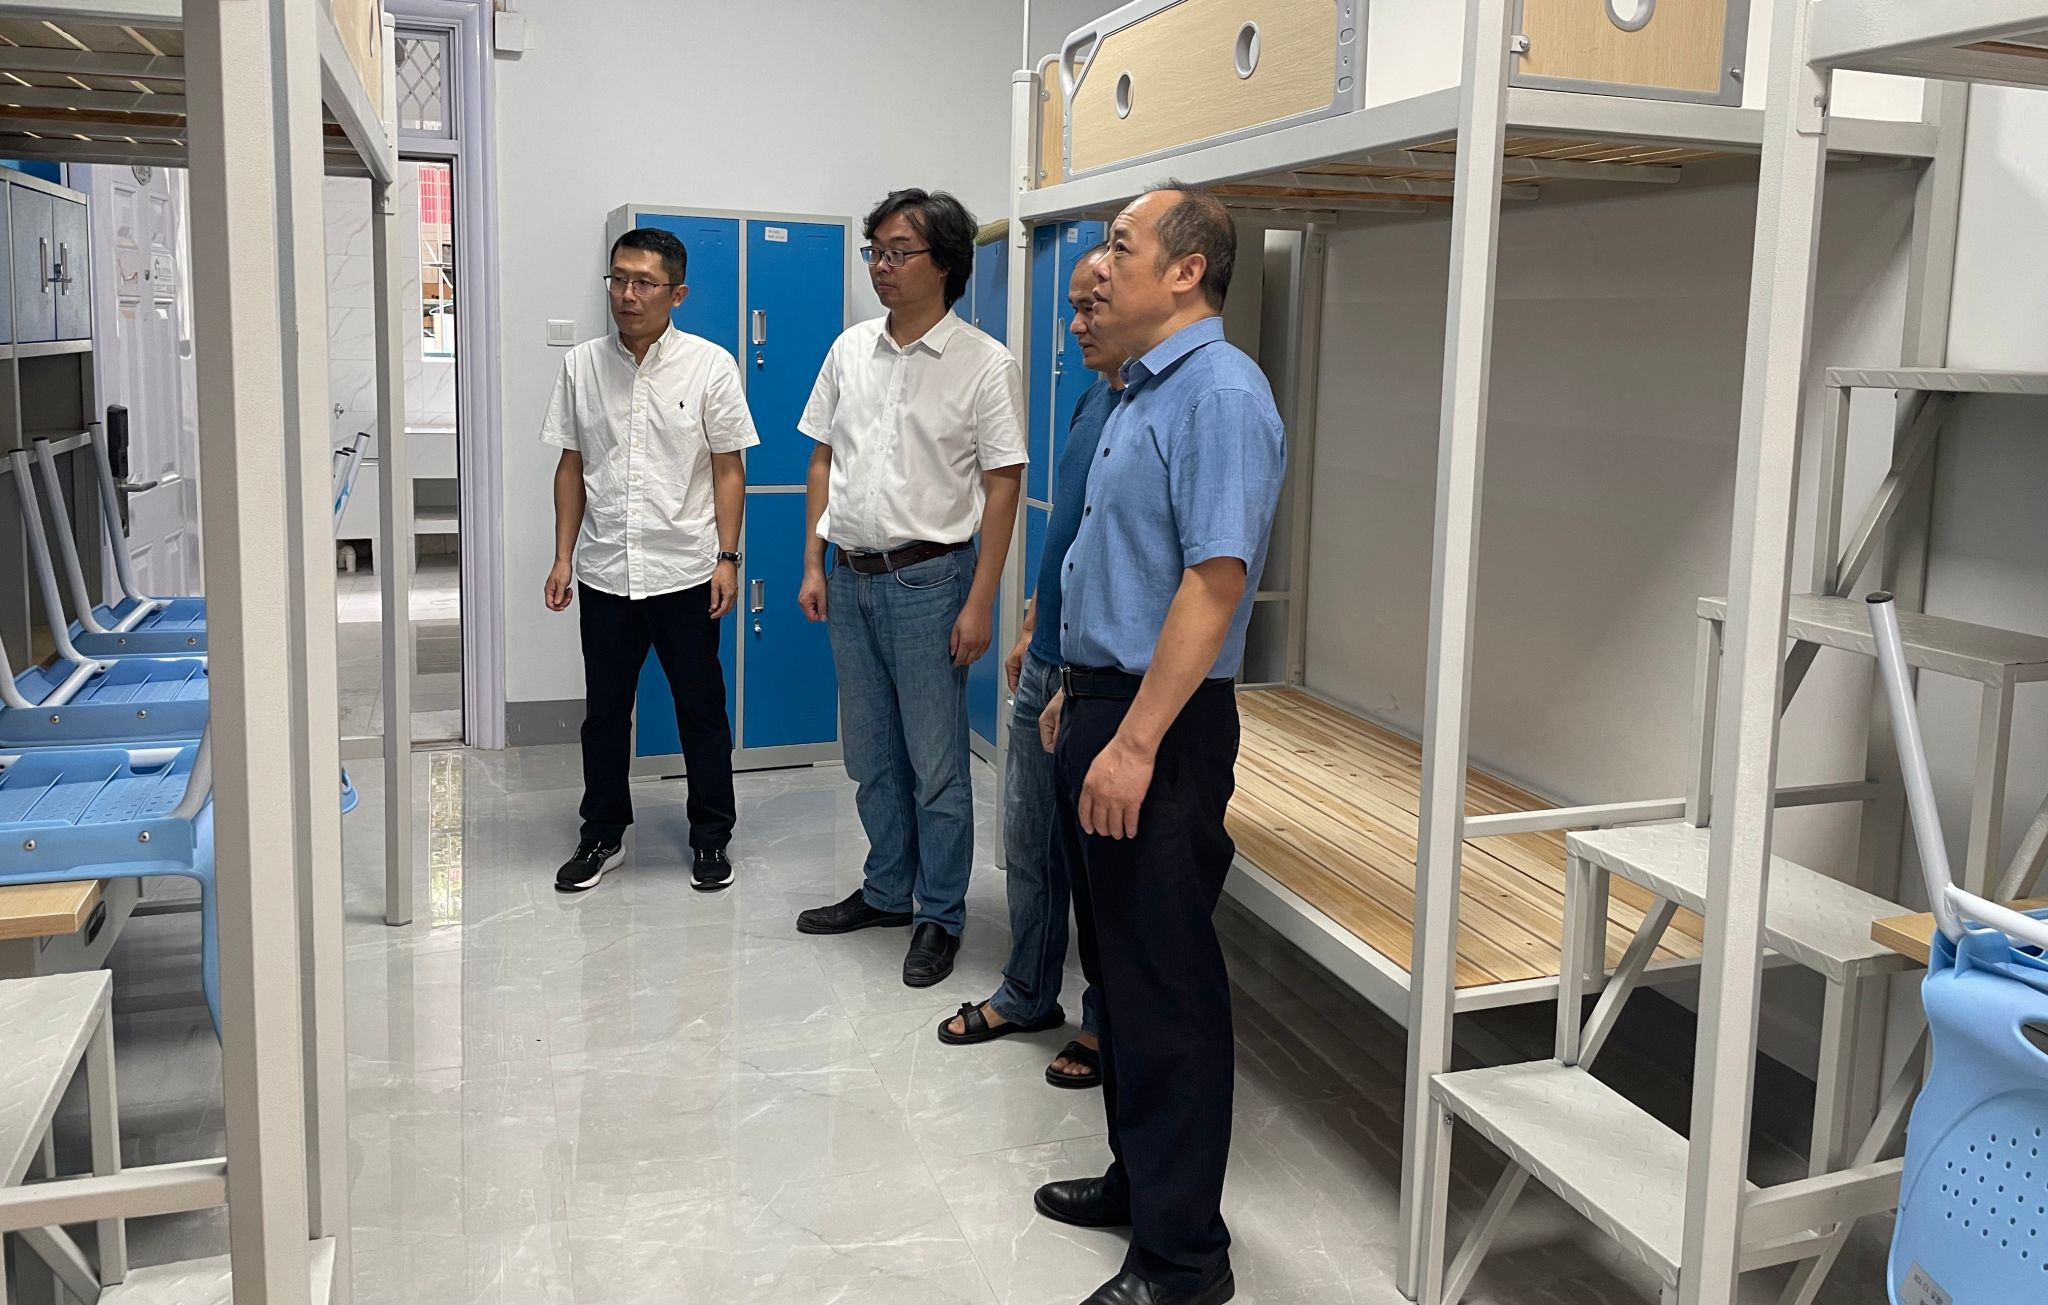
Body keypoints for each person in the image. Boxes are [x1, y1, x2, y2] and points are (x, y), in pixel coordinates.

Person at [1032, 182, 1285, 1305]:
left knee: (1166, 989)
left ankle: (1184, 1261)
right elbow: (1121, 561)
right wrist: (1076, 692)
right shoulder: (1141, 391)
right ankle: (1139, 1182)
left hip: (1160, 726)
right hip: (1107, 702)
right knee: (1121, 979)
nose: (1101, 264)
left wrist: (1133, 742)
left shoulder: (1219, 392)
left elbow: (1212, 584)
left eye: (1121, 246)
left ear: (1186, 271)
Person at [792, 189, 1026, 989]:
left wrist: (980, 601)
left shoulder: (985, 364)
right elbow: (822, 458)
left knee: (936, 764)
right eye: (876, 252)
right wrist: (813, 562)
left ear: (946, 263)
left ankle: (941, 914)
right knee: (870, 754)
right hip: (850, 576)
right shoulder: (849, 350)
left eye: (898, 252)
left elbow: (1003, 484)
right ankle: (888, 888)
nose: (881, 267)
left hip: (932, 580)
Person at [937, 243, 1124, 1089]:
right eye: (1072, 307)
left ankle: (1105, 1021)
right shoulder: (1092, 400)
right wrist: (1032, 621)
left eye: (1092, 306)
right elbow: (1072, 532)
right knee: (1031, 843)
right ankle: (1027, 991)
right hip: (1049, 652)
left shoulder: (1159, 410)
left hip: (1096, 673)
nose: (1076, 324)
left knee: (1096, 865)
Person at [541, 227, 756, 895]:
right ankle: (602, 833)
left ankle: (711, 835)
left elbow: (728, 467)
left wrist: (727, 556)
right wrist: (561, 556)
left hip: (685, 569)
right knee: (605, 712)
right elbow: (571, 465)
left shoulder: (710, 365)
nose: (626, 294)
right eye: (618, 279)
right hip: (606, 569)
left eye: (643, 282)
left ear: (676, 293)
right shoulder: (581, 366)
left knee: (701, 708)